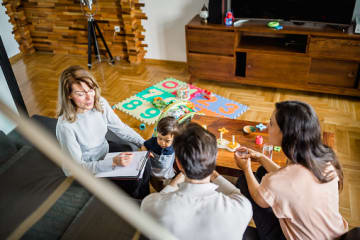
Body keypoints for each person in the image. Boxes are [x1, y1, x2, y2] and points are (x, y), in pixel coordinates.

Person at [235, 100, 348, 240]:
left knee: (244, 181)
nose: (266, 126)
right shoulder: (324, 159)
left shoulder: (282, 179)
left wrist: (246, 169)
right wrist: (262, 158)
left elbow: (259, 198)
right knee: (262, 171)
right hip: (333, 234)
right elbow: (288, 181)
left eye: (271, 123)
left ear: (285, 134)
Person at [141, 122, 252, 240]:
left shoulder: (151, 204)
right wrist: (213, 173)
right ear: (214, 159)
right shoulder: (242, 207)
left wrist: (183, 172)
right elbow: (236, 193)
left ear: (178, 163)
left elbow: (161, 196)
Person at [56, 65, 150, 199]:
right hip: (89, 168)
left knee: (145, 164)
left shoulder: (100, 103)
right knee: (134, 181)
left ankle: (145, 202)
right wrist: (112, 163)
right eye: (81, 94)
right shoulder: (65, 126)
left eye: (91, 90)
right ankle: (136, 206)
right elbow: (74, 169)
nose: (89, 98)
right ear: (69, 95)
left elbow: (120, 128)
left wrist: (144, 143)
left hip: (105, 151)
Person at [142, 116, 178, 192]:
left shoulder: (175, 144)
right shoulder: (153, 142)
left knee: (168, 187)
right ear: (157, 133)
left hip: (167, 173)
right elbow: (143, 146)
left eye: (167, 141)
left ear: (174, 139)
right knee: (157, 187)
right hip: (153, 173)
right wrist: (146, 152)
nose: (162, 143)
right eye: (160, 138)